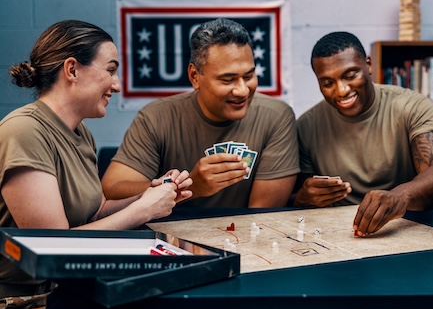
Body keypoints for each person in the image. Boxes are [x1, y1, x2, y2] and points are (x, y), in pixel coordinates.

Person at [0, 20, 192, 309]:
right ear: (72, 69)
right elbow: (52, 248)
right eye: (111, 70)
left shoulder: (81, 132)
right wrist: (143, 211)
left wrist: (152, 194)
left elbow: (97, 210)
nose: (116, 84)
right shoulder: (24, 130)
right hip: (27, 303)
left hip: (69, 290)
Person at [102, 18, 299, 208]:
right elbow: (113, 189)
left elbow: (261, 214)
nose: (243, 91)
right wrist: (190, 187)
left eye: (249, 76)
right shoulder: (156, 117)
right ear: (195, 76)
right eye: (227, 80)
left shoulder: (276, 116)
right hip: (171, 235)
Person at [294, 31, 433, 237]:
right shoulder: (307, 125)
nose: (341, 90)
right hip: (340, 236)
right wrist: (305, 198)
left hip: (409, 228)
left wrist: (399, 197)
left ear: (368, 65)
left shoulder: (412, 106)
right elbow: (300, 202)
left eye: (350, 75)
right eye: (327, 83)